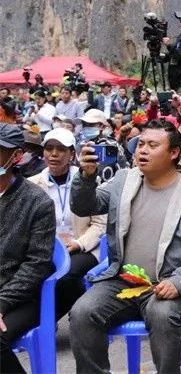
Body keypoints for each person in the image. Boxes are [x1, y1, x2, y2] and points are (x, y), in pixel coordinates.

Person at [69, 119, 181, 373]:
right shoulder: (124, 180)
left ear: (174, 153)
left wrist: (178, 282)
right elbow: (85, 206)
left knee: (162, 316)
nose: (142, 150)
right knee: (82, 313)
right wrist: (86, 176)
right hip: (122, 281)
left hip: (166, 283)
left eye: (152, 145)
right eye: (140, 144)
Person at [28, 128, 106, 320]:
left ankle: (50, 319)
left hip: (84, 248)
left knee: (67, 275)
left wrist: (78, 243)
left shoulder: (90, 180)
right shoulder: (31, 185)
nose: (54, 154)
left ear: (72, 154)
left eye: (61, 149)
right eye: (49, 148)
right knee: (33, 274)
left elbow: (100, 224)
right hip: (47, 248)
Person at [0, 123, 56, 374]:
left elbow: (37, 264)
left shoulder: (37, 202)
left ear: (16, 156)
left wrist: (2, 303)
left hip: (18, 298)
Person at [79, 109, 129, 181]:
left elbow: (104, 176)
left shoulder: (110, 145)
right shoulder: (82, 144)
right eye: (84, 124)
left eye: (90, 124)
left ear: (102, 126)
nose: (86, 127)